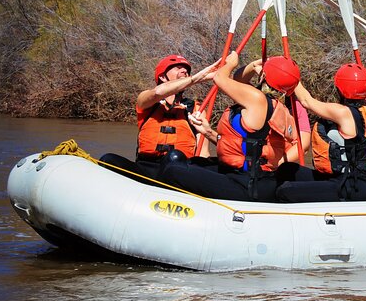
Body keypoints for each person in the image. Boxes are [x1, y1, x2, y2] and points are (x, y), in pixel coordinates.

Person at [160, 52, 301, 202]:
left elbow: (219, 78)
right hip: (251, 177)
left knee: (172, 169)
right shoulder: (274, 106)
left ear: (264, 75)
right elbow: (239, 80)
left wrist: (230, 64)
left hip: (247, 184)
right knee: (195, 163)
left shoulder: (257, 99)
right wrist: (208, 131)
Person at [276, 63, 366, 202]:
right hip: (345, 179)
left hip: (350, 186)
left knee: (285, 191)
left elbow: (306, 101)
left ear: (340, 89)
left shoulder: (342, 113)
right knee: (286, 169)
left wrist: (290, 74)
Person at [99, 54, 216, 182]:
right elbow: (158, 92)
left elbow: (203, 153)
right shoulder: (146, 101)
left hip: (179, 169)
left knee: (174, 156)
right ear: (162, 77)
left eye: (187, 70)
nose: (185, 71)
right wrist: (196, 78)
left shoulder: (196, 109)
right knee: (108, 159)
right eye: (178, 68)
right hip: (145, 168)